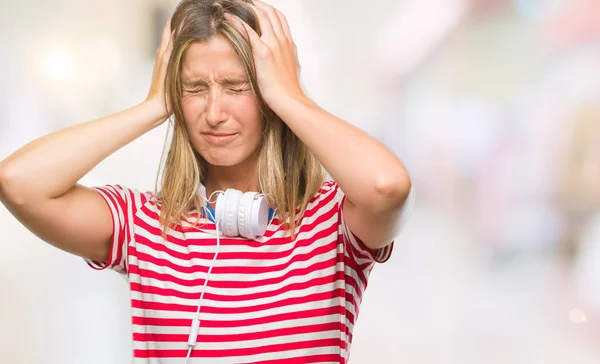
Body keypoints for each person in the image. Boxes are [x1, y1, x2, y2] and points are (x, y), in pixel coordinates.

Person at [0, 0, 413, 362]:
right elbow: (19, 182)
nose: (214, 113)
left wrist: (290, 96)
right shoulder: (144, 223)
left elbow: (387, 186)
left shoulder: (331, 221)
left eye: (237, 87)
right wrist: (153, 106)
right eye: (195, 88)